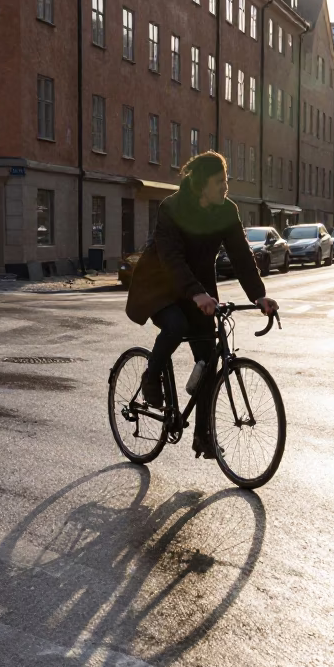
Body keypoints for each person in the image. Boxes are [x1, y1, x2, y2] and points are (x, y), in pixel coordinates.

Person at [125, 151, 278, 459]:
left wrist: (259, 295)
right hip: (159, 286)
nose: (226, 187)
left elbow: (240, 254)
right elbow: (172, 258)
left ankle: (202, 437)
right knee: (176, 325)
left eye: (226, 180)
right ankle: (150, 376)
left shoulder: (226, 210)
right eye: (219, 181)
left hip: (198, 291)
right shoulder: (172, 208)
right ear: (201, 185)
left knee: (208, 361)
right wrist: (196, 294)